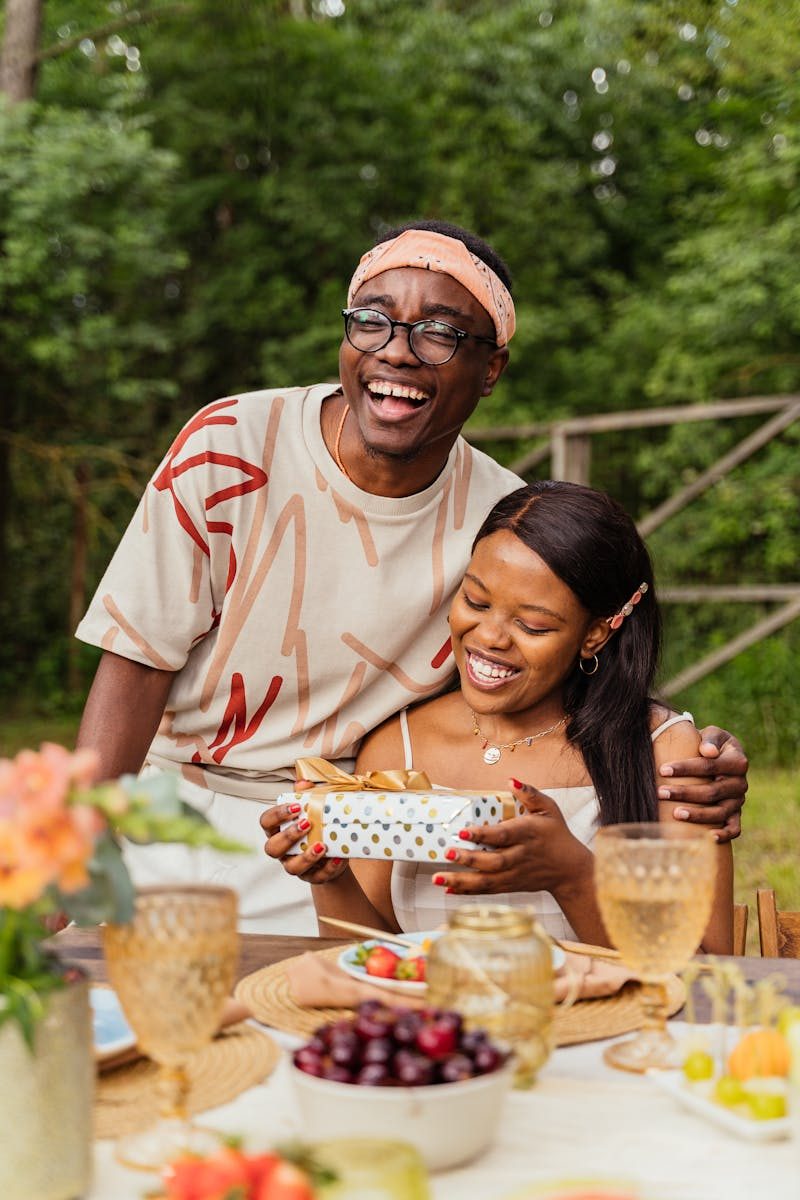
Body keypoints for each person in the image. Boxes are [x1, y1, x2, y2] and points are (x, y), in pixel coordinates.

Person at [75, 220, 746, 934]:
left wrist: (689, 751)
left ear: (491, 369)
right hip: (168, 807)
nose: (396, 349)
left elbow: (563, 665)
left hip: (340, 833)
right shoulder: (232, 446)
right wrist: (75, 848)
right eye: (373, 320)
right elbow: (135, 664)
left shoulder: (499, 520)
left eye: (440, 333)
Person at [263, 481, 733, 952]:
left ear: (594, 635)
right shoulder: (399, 746)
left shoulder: (667, 755)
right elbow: (370, 955)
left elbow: (710, 974)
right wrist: (330, 879)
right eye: (475, 601)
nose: (489, 636)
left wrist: (572, 876)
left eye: (532, 625)